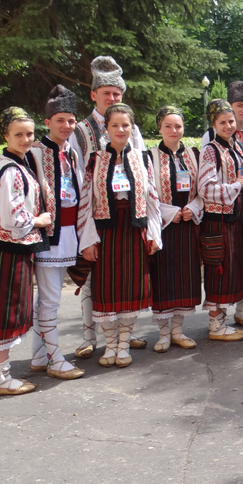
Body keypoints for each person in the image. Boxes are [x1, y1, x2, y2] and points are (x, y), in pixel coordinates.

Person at [68, 55, 146, 358]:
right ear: (94, 95)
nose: (112, 98)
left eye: (117, 94)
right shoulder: (81, 129)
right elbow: (75, 173)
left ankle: (129, 333)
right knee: (93, 276)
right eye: (107, 94)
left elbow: (139, 166)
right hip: (94, 212)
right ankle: (91, 336)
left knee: (128, 274)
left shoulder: (131, 126)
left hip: (127, 213)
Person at [77, 103, 162, 369]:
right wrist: (88, 239)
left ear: (132, 128)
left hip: (134, 229)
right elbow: (85, 202)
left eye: (125, 125)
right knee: (106, 288)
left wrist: (153, 233)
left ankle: (124, 344)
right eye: (115, 125)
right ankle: (110, 344)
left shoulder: (141, 157)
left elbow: (152, 199)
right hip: (106, 231)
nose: (120, 129)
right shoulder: (95, 160)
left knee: (131, 286)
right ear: (106, 128)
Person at [0, 107, 52, 395]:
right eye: (18, 134)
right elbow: (12, 219)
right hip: (9, 249)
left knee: (7, 309)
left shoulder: (10, 162)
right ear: (5, 135)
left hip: (9, 248)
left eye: (29, 133)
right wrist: (39, 220)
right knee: (6, 311)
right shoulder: (12, 169)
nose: (25, 139)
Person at [26, 86, 86, 380]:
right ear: (47, 121)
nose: (66, 126)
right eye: (60, 119)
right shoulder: (34, 153)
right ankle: (55, 358)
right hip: (48, 237)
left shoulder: (72, 153)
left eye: (71, 121)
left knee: (49, 299)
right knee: (49, 300)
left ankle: (39, 355)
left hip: (69, 234)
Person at [200, 80, 243, 327]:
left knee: (236, 265)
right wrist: (237, 185)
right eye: (223, 121)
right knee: (219, 268)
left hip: (237, 213)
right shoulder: (211, 148)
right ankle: (216, 324)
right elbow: (205, 186)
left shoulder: (237, 145)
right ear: (214, 124)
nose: (229, 125)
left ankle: (231, 316)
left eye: (231, 121)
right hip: (218, 216)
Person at [147, 106, 203, 352]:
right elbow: (146, 195)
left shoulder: (193, 154)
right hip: (162, 227)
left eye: (178, 126)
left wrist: (193, 207)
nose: (173, 130)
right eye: (168, 126)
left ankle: (178, 330)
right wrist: (171, 213)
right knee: (163, 279)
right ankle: (163, 333)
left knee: (184, 279)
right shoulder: (148, 157)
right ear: (159, 128)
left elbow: (202, 190)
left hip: (188, 226)